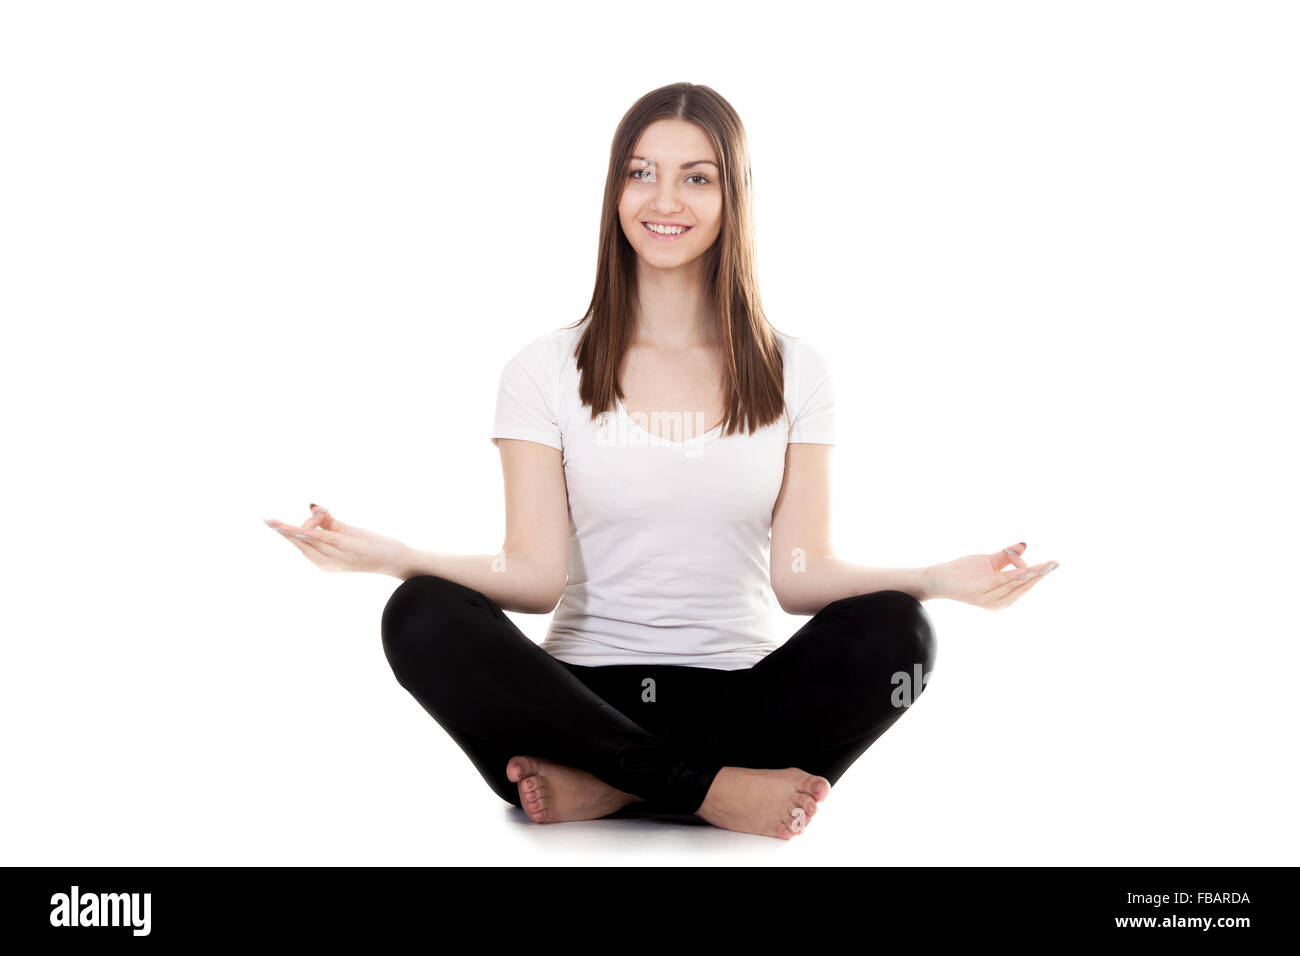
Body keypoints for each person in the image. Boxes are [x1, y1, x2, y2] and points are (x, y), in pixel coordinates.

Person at [264, 83, 1060, 840]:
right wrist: (394, 559)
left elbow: (800, 576)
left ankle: (613, 785)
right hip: (573, 703)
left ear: (732, 198)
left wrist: (938, 580)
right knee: (418, 617)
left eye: (696, 177)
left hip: (744, 701)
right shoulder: (543, 369)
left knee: (903, 638)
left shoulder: (796, 369)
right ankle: (710, 789)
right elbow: (535, 577)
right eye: (641, 173)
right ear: (615, 192)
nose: (665, 200)